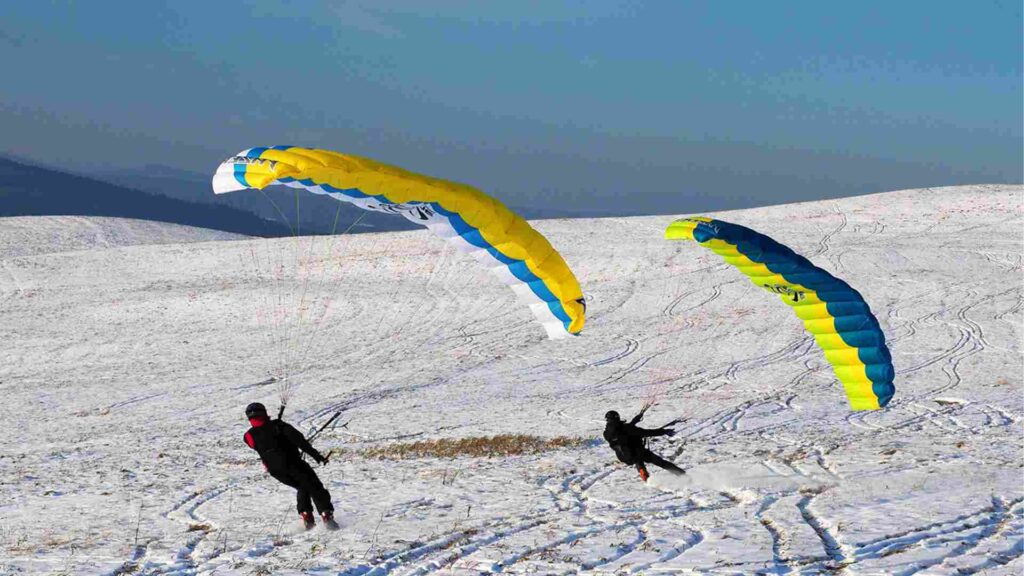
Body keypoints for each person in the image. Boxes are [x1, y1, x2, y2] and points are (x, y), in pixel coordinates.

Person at [243, 402, 339, 530]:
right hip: (294, 464)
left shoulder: (247, 436)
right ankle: (326, 515)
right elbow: (301, 442)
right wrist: (318, 457)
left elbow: (265, 443)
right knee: (315, 487)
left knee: (303, 487)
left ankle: (306, 516)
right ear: (264, 413)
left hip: (276, 471)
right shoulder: (279, 426)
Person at [603, 407, 685, 482]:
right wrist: (664, 431)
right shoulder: (628, 428)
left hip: (623, 457)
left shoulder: (606, 433)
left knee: (636, 459)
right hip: (638, 452)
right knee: (660, 462)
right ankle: (683, 475)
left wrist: (635, 420)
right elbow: (647, 432)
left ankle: (643, 472)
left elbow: (622, 431)